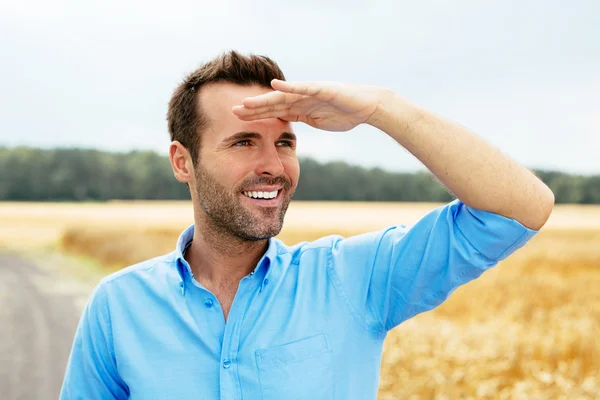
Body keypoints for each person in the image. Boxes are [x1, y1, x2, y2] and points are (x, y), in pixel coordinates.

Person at [59, 50, 554, 400]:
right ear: (183, 162)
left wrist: (381, 109)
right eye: (243, 142)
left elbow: (520, 210)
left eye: (286, 143)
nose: (272, 164)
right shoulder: (119, 305)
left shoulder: (353, 278)